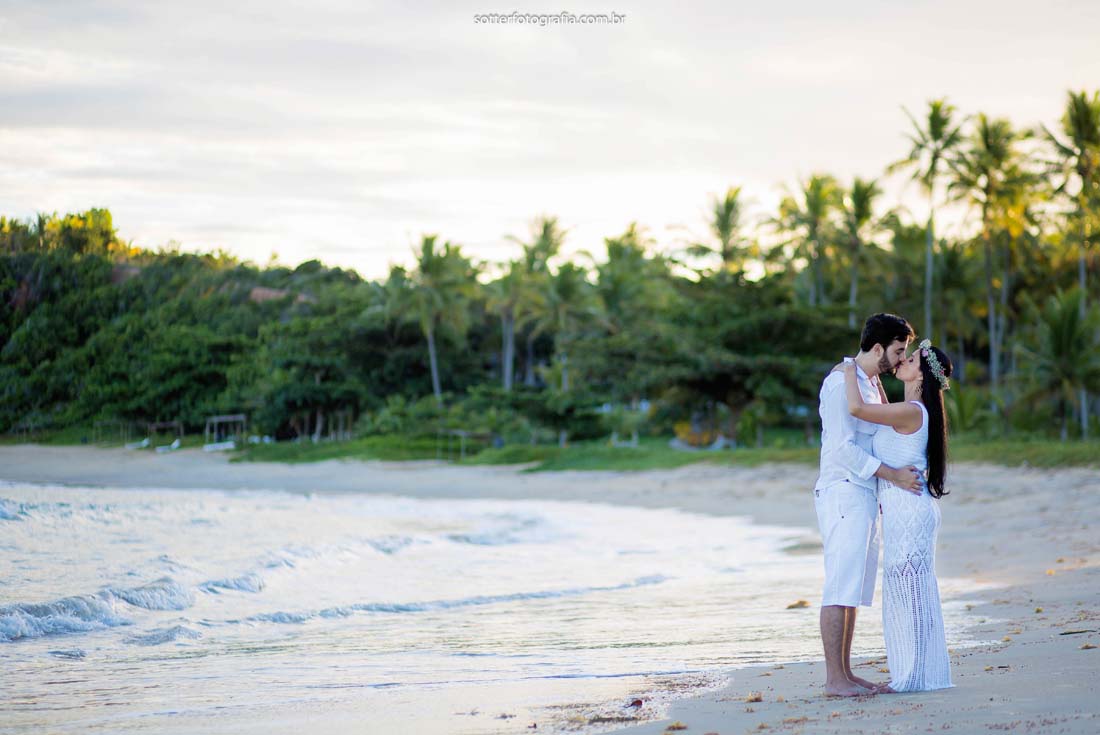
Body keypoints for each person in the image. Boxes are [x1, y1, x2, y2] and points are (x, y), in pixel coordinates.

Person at [814, 313, 921, 698]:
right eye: (897, 350)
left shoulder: (871, 384)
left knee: (854, 587)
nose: (899, 359)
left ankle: (845, 672)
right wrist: (893, 475)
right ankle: (833, 680)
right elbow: (843, 448)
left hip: (864, 493)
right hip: (843, 489)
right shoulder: (838, 384)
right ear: (878, 347)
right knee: (839, 585)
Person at [843, 338, 955, 693]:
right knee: (907, 591)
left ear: (921, 375)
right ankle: (916, 674)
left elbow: (858, 410)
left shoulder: (913, 411)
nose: (902, 360)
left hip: (909, 510)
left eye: (911, 359)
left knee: (911, 592)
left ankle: (913, 677)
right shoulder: (909, 407)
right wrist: (872, 379)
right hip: (902, 510)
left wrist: (849, 367)